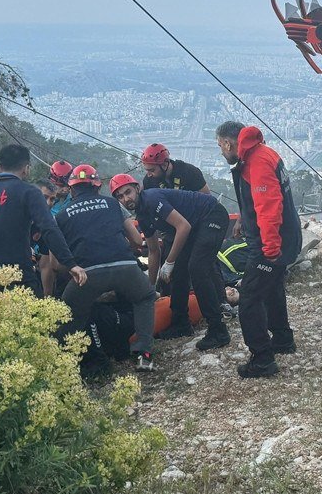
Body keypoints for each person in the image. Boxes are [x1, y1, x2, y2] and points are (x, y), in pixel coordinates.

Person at [215, 121, 301, 379]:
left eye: (220, 146)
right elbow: (256, 197)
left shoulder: (257, 161)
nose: (221, 151)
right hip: (276, 237)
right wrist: (243, 217)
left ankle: (262, 359)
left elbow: (270, 207)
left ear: (230, 143)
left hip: (271, 240)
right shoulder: (258, 153)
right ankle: (283, 339)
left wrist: (270, 249)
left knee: (250, 298)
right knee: (272, 286)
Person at [111, 173, 232, 352]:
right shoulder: (142, 216)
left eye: (128, 192)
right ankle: (180, 323)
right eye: (120, 197)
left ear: (137, 188)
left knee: (197, 268)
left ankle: (218, 329)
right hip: (195, 224)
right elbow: (153, 251)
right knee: (179, 272)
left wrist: (169, 261)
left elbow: (183, 227)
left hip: (211, 215)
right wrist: (150, 288)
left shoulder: (151, 199)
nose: (126, 199)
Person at [56, 164, 157, 374]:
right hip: (125, 267)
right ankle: (144, 354)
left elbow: (57, 261)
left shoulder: (62, 214)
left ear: (72, 189)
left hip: (87, 273)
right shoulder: (112, 203)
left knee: (68, 313)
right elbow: (137, 240)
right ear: (97, 186)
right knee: (145, 297)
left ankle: (72, 363)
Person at [0, 144, 86, 296]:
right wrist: (70, 264)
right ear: (26, 169)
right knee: (36, 316)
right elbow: (49, 228)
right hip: (17, 274)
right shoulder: (29, 192)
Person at [139, 143, 211, 332]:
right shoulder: (149, 183)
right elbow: (154, 246)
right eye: (146, 170)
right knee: (174, 275)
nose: (148, 174)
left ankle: (218, 304)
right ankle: (177, 315)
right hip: (172, 230)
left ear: (164, 164)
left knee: (202, 265)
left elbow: (207, 200)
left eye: (152, 169)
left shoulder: (189, 172)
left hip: (196, 226)